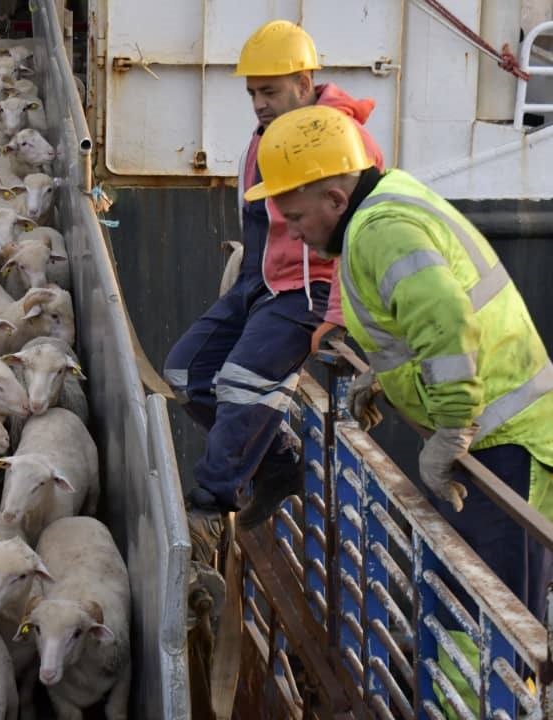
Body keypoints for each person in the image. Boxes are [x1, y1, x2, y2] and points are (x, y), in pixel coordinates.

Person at [249, 102, 553, 712]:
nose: (293, 231)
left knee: (483, 619)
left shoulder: (380, 231)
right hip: (499, 440)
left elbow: (445, 320)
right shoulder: (388, 203)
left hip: (505, 450)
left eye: (298, 215)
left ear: (336, 198)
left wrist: (451, 431)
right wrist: (385, 381)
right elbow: (418, 325)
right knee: (467, 603)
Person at [163, 21, 385, 551]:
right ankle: (277, 459)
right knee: (186, 372)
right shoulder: (269, 134)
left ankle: (214, 502)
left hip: (305, 291)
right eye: (253, 93)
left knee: (242, 381)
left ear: (304, 82)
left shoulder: (341, 137)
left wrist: (335, 313)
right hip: (258, 283)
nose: (259, 103)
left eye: (270, 91)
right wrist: (246, 285)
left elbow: (357, 228)